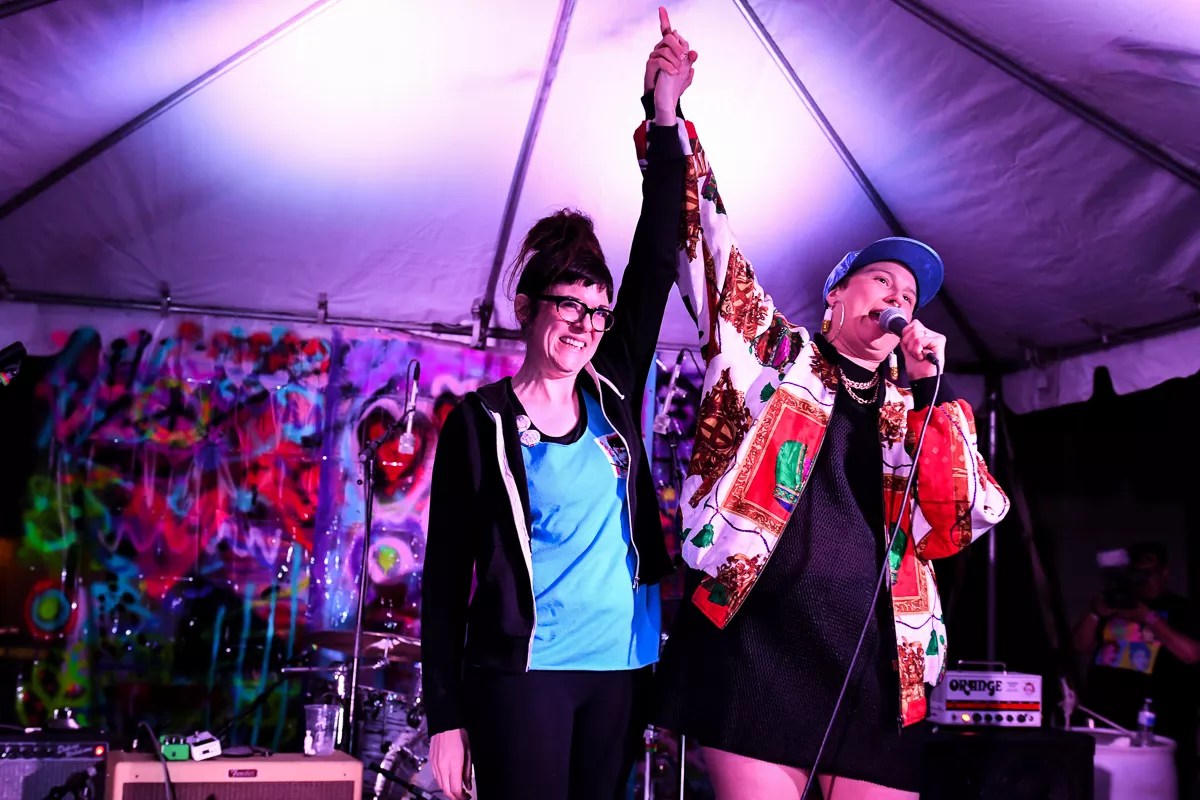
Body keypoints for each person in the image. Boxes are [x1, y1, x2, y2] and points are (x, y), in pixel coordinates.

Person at [635, 16, 1011, 799]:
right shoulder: (774, 354)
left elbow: (964, 518)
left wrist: (930, 394)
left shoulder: (916, 411)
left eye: (909, 294)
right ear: (837, 293)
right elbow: (706, 241)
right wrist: (666, 117)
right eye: (882, 281)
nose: (898, 297)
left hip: (877, 666)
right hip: (757, 646)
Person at [419, 19, 695, 799]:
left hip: (622, 666)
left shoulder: (613, 387)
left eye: (598, 310)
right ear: (527, 306)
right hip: (524, 675)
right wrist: (445, 717)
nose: (585, 324)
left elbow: (657, 251)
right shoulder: (479, 424)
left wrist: (663, 114)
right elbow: (445, 579)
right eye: (569, 304)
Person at [1073, 540, 1200, 796]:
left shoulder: (1181, 609)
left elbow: (1192, 654)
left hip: (1158, 730)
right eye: (1137, 574)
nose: (1143, 580)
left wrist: (1148, 618)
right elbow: (1079, 646)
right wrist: (1095, 613)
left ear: (1164, 572)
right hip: (1105, 724)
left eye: (1149, 573)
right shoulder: (1117, 604)